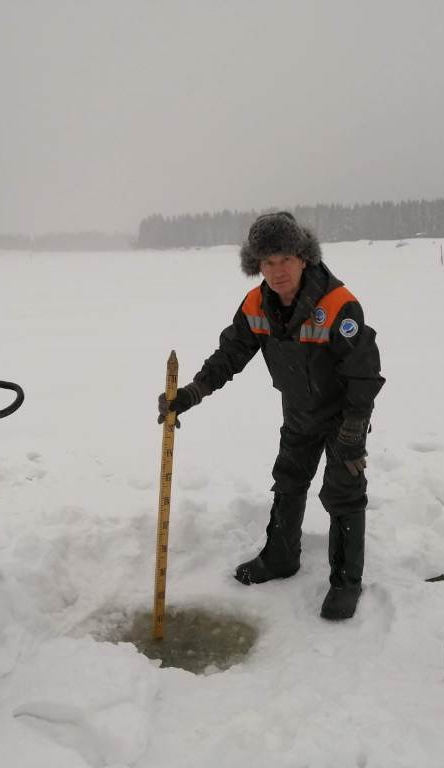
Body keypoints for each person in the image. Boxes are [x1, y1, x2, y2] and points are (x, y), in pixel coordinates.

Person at [157, 211, 384, 620]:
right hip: (298, 410)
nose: (277, 271)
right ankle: (280, 557)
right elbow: (231, 355)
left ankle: (346, 582)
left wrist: (353, 429)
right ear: (256, 265)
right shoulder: (256, 304)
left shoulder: (337, 306)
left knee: (343, 493)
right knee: (289, 480)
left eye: (285, 259)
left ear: (303, 258)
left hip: (343, 416)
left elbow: (364, 373)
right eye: (267, 262)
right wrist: (193, 391)